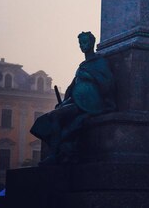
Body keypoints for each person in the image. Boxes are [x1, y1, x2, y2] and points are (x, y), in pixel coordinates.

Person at [30, 31, 116, 164]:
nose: (83, 45)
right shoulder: (82, 66)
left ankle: (54, 155)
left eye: (85, 42)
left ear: (92, 43)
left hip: (91, 105)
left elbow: (108, 84)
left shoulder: (100, 62)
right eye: (80, 43)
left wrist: (92, 77)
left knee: (56, 117)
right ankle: (60, 150)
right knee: (48, 119)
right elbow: (73, 87)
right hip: (77, 103)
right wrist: (64, 102)